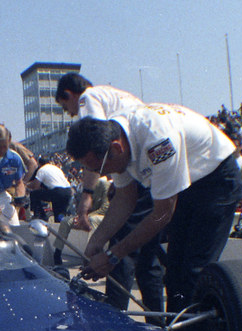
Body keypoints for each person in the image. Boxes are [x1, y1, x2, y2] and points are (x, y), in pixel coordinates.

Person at [67, 103, 242, 313]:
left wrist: (113, 255)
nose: (100, 173)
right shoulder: (116, 138)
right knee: (174, 271)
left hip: (215, 180)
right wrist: (97, 241)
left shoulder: (159, 144)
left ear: (116, 149)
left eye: (98, 168)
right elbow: (125, 198)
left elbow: (162, 215)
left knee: (194, 272)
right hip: (186, 183)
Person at [55, 72, 164, 313]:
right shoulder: (115, 96)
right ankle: (158, 322)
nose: (72, 114)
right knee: (147, 259)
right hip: (143, 171)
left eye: (66, 107)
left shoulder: (88, 98)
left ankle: (114, 319)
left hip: (139, 173)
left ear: (70, 95)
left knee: (121, 253)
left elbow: (94, 148)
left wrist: (86, 196)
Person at [28, 157, 73, 223]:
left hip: (57, 191)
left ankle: (40, 215)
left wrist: (26, 185)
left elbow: (36, 186)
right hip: (68, 191)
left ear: (39, 164)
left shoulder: (41, 169)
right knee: (58, 215)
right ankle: (60, 226)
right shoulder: (56, 168)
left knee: (34, 194)